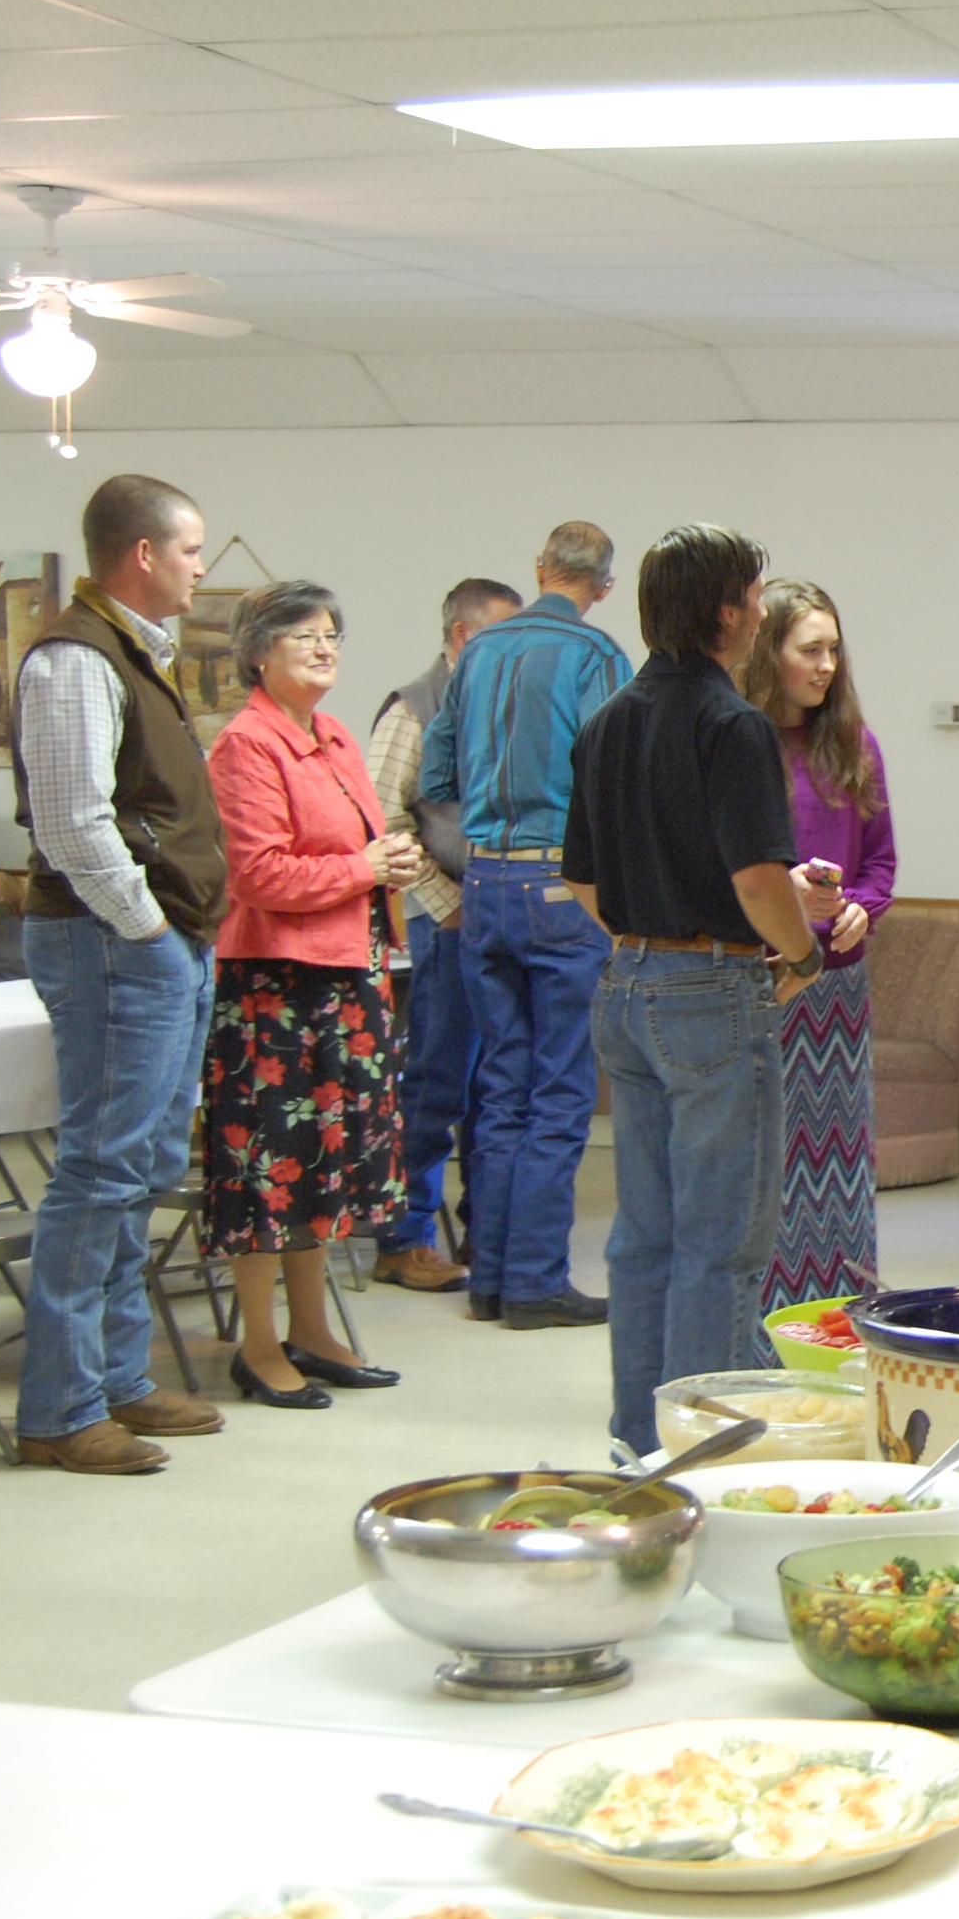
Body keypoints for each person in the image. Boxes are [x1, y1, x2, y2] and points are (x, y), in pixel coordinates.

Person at [564, 525, 833, 1457]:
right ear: (727, 612)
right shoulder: (733, 724)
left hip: (626, 986)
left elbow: (588, 882)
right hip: (712, 993)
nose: (762, 609)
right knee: (721, 1244)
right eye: (755, 596)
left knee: (645, 1237)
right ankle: (704, 1459)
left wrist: (655, 934)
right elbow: (761, 880)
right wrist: (801, 955)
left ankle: (640, 1439)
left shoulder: (607, 722)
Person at [9, 474, 233, 1475]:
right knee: (98, 1169)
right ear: (141, 554)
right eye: (189, 548)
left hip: (161, 941)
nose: (199, 565)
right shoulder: (74, 658)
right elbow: (71, 819)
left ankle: (116, 1376)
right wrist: (146, 928)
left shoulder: (137, 653)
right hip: (116, 941)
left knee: (137, 1166)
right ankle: (59, 1406)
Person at [199, 582, 425, 1409]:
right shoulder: (244, 744)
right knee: (270, 1169)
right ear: (260, 650)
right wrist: (364, 869)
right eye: (305, 635)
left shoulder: (332, 734)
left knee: (327, 1166)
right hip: (276, 988)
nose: (326, 647)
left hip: (347, 977)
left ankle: (313, 1329)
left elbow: (353, 852)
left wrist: (389, 863)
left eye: (333, 634)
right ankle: (257, 1345)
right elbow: (256, 873)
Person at [419, 523, 634, 1331]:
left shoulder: (477, 653)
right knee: (560, 1089)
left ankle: (493, 1279)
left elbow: (435, 772)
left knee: (500, 1086)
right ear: (603, 587)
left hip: (484, 881)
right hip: (558, 884)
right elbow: (612, 776)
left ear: (540, 570)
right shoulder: (597, 656)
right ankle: (538, 1283)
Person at [738, 579, 896, 1314]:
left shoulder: (855, 745)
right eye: (811, 649)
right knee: (769, 1158)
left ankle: (839, 1314)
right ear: (770, 653)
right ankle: (767, 1318)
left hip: (838, 986)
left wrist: (863, 907)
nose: (827, 664)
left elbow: (880, 863)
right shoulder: (737, 742)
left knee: (836, 1160)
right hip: (764, 980)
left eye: (834, 649)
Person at [365, 576, 521, 1294]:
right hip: (448, 922)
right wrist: (442, 901)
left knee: (498, 1087)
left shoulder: (509, 704)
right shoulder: (413, 709)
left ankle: (489, 1235)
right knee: (435, 1083)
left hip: (505, 919)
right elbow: (382, 823)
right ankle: (405, 1236)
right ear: (462, 636)